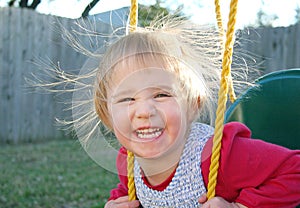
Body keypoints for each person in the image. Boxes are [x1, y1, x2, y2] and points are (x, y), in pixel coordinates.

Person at [87, 18, 300, 208]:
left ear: (193, 104)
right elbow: (131, 192)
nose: (144, 111)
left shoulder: (220, 155)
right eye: (127, 99)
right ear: (107, 114)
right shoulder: (129, 158)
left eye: (161, 95)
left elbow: (295, 169)